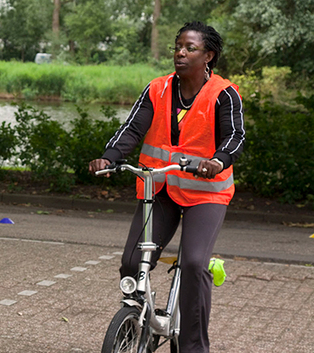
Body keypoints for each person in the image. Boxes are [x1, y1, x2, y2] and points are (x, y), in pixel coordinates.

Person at [89, 21, 244, 353]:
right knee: (133, 261)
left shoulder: (223, 94)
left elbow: (234, 136)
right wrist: (109, 157)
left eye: (190, 48)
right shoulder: (157, 89)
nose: (181, 53)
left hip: (207, 194)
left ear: (209, 56)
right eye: (178, 46)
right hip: (160, 189)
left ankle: (193, 347)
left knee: (193, 263)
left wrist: (218, 160)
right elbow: (132, 129)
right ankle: (138, 321)